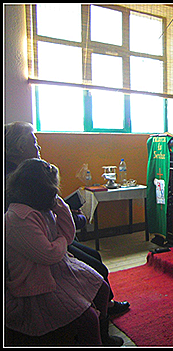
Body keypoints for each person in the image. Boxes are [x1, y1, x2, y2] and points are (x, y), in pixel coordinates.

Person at [4, 121, 130, 317]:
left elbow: (46, 205)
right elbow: (39, 210)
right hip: (41, 242)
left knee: (94, 257)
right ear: (20, 147)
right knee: (95, 264)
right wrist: (70, 218)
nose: (39, 147)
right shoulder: (17, 179)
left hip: (51, 233)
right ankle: (100, 309)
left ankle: (104, 305)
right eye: (34, 142)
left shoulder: (27, 171)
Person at [5, 158, 122, 345]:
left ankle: (104, 336)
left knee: (102, 288)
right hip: (36, 284)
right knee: (88, 318)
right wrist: (59, 242)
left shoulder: (41, 207)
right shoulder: (18, 218)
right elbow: (49, 254)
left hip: (57, 269)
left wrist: (58, 204)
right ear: (39, 187)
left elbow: (67, 236)